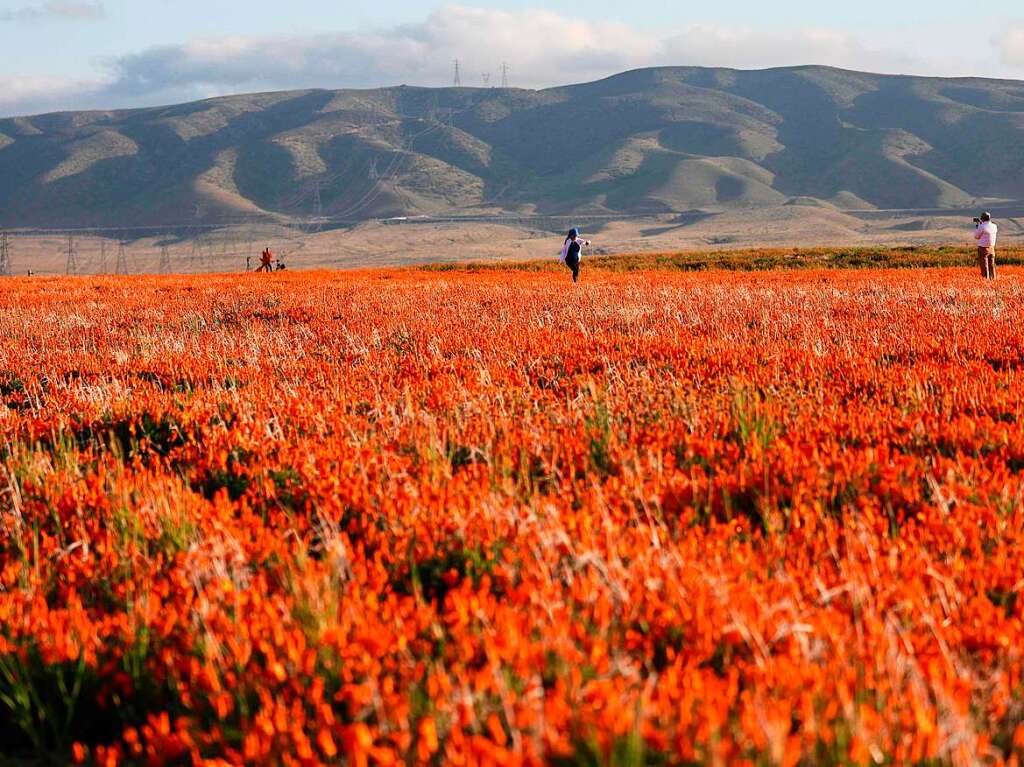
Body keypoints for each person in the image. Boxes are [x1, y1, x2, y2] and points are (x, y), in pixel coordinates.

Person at [973, 213, 998, 280]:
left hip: (983, 248)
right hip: (992, 248)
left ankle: (985, 280)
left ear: (982, 218)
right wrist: (981, 224)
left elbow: (976, 236)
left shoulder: (982, 226)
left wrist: (978, 226)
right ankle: (993, 279)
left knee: (984, 266)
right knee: (991, 265)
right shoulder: (994, 226)